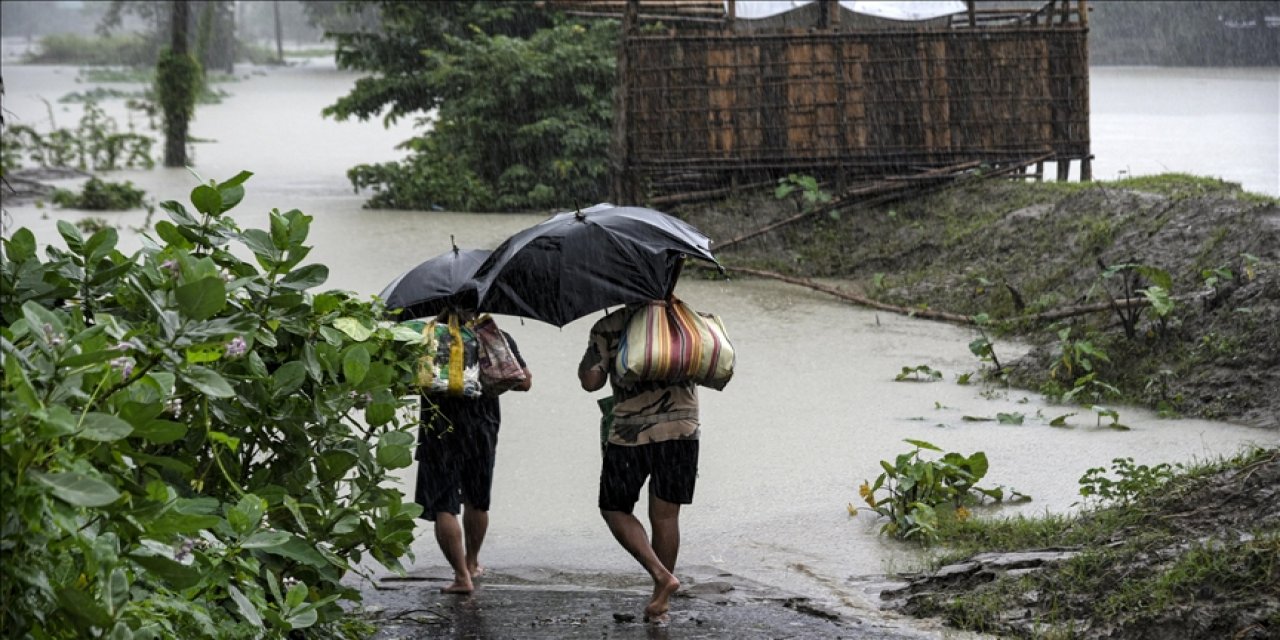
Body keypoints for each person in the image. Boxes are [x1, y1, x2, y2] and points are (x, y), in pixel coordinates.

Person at [578, 298, 700, 622]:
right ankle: (661, 604)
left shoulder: (610, 326)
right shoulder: (684, 319)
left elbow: (591, 382)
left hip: (632, 432)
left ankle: (661, 575)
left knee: (614, 508)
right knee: (666, 516)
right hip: (682, 429)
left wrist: (596, 347)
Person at [415, 309, 532, 594]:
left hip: (439, 428)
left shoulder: (425, 338)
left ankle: (460, 578)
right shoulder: (493, 337)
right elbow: (525, 381)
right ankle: (472, 563)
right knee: (476, 500)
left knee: (444, 504)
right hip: (482, 428)